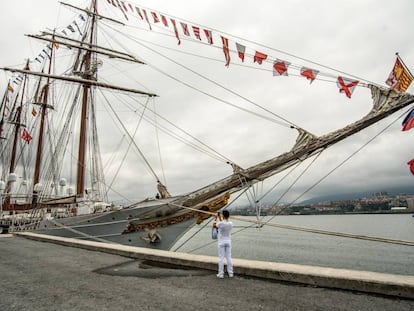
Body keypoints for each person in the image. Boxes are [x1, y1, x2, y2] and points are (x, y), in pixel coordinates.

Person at [214, 210, 233, 278]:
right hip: (228, 241)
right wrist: (220, 217)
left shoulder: (221, 223)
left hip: (221, 242)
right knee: (229, 257)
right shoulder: (231, 223)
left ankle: (221, 274)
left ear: (223, 215)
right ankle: (230, 273)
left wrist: (216, 218)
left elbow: (215, 225)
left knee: (221, 258)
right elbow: (223, 223)